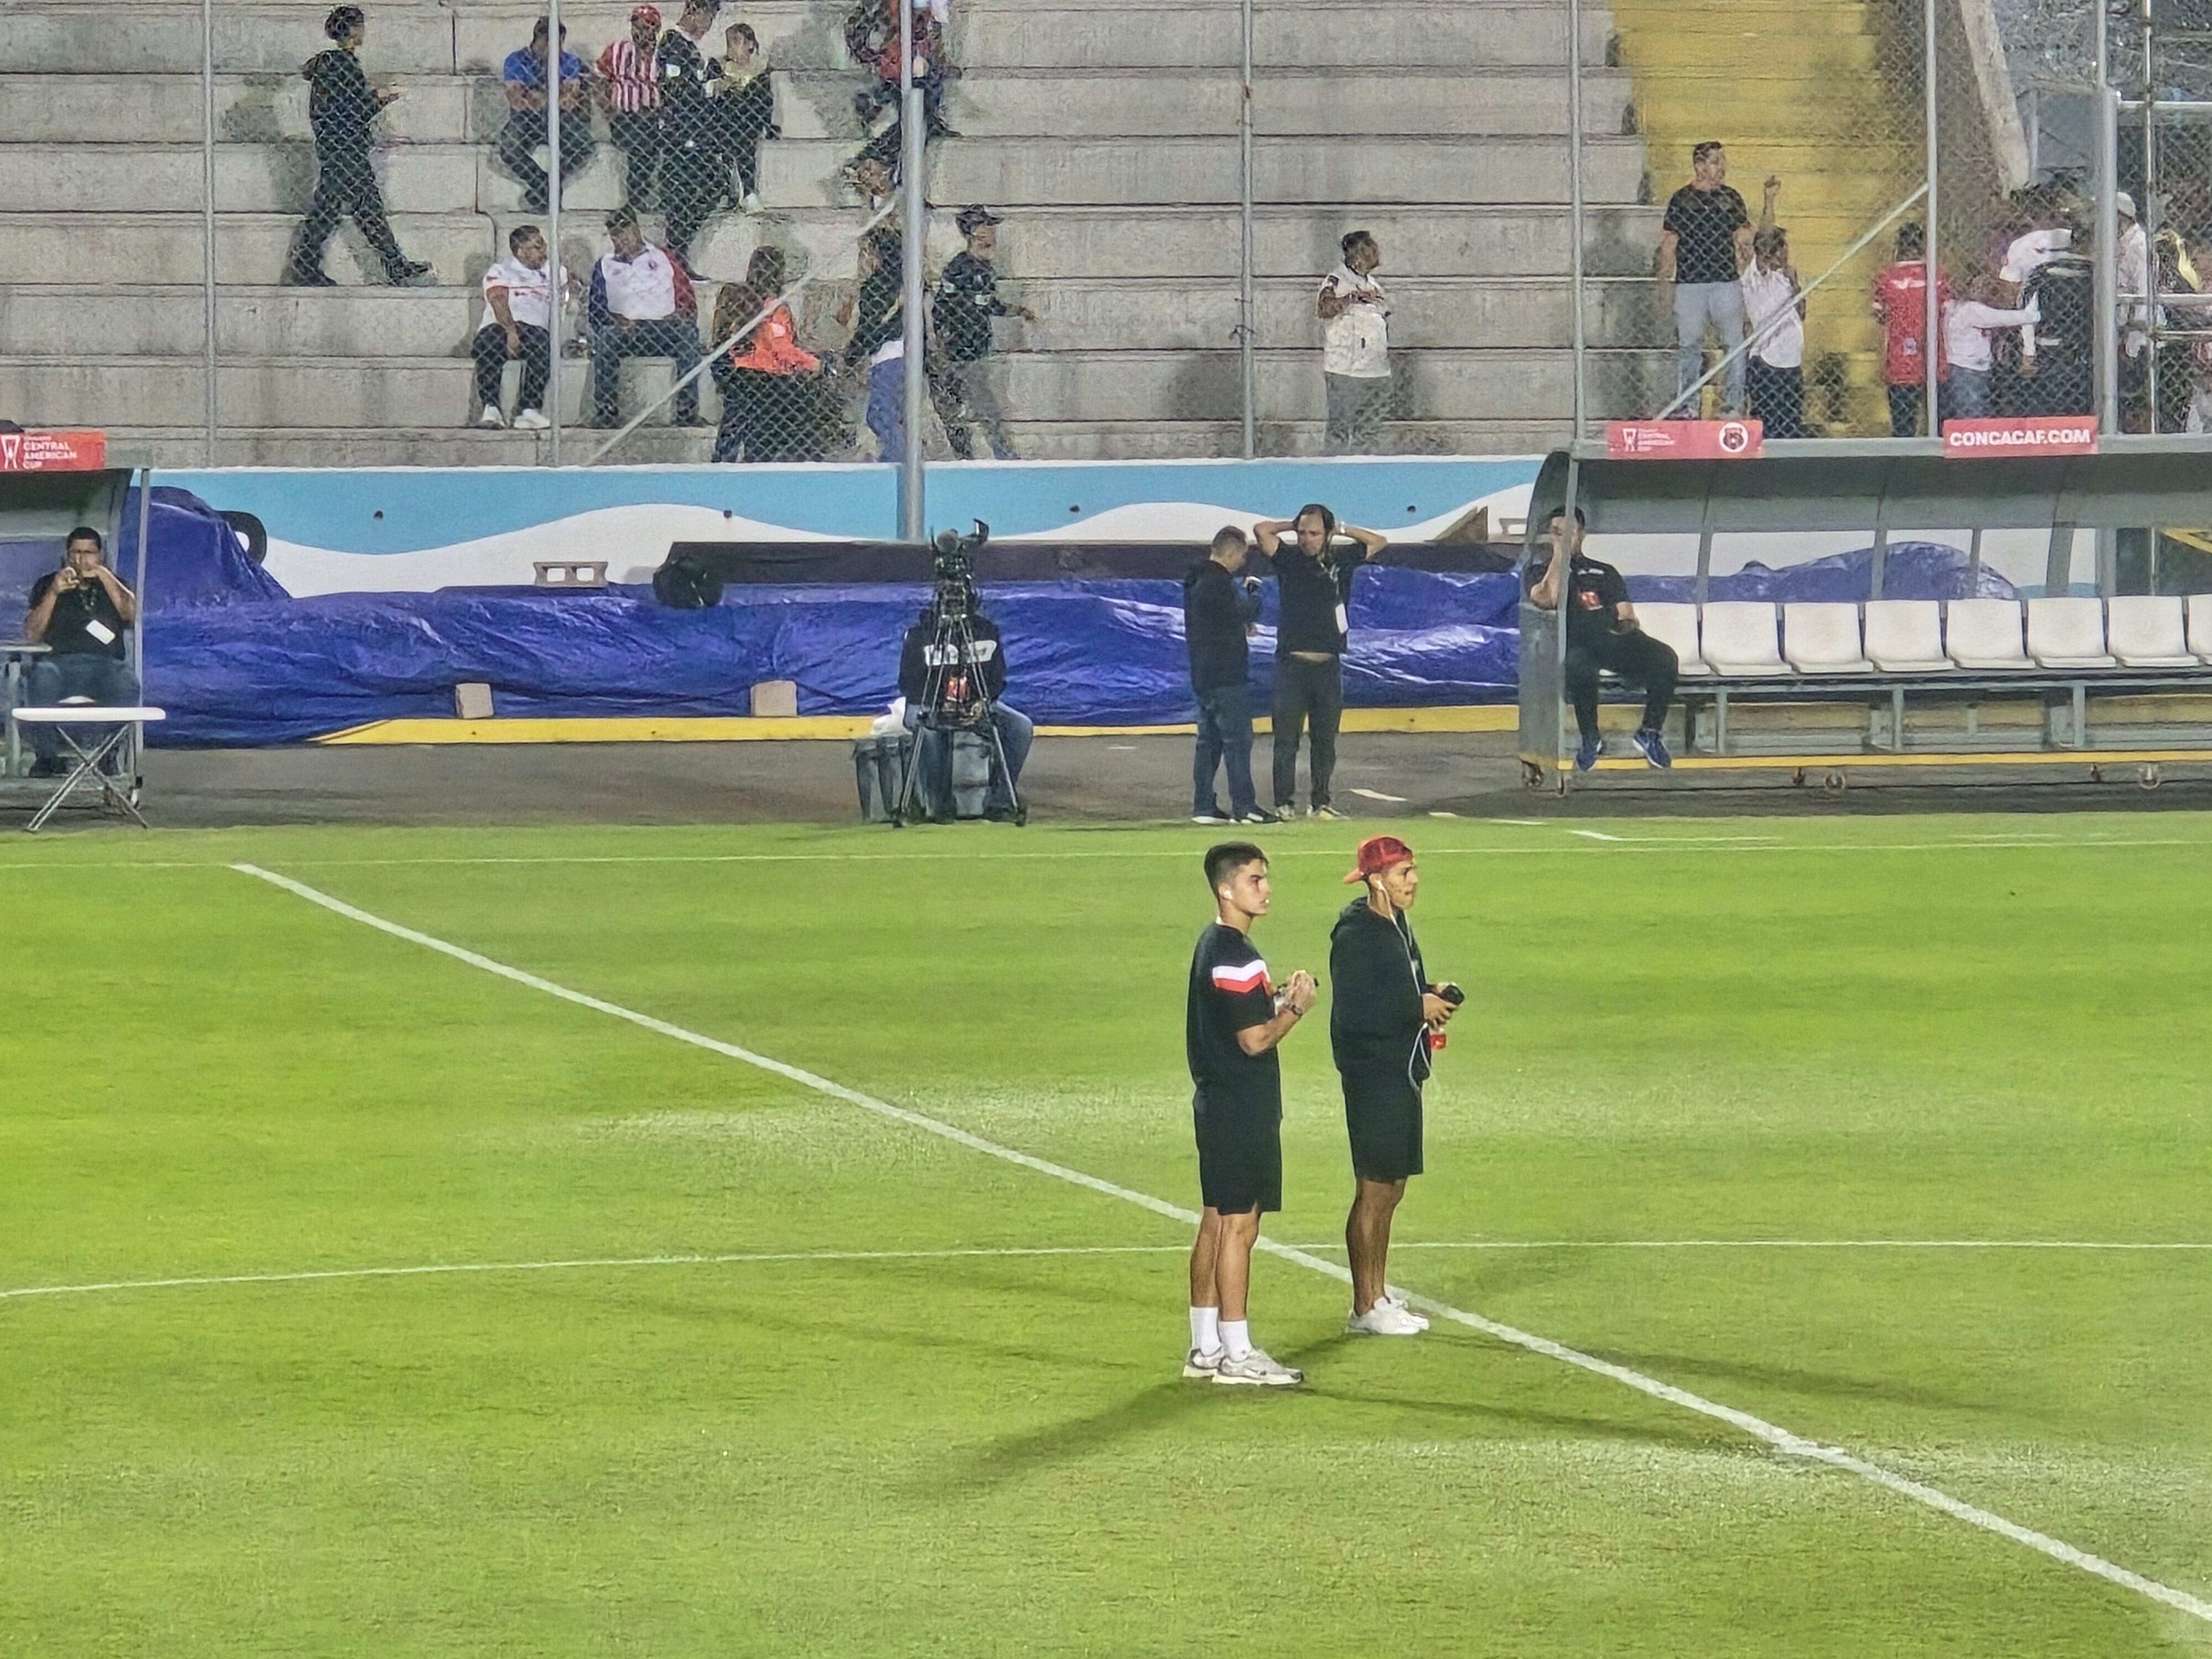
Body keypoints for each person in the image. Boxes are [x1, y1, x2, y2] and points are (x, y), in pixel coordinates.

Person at [1182, 841, 1318, 1387]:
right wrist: (1295, 1008)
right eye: (1255, 880)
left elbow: (1235, 1018)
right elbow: (1255, 1040)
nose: (1266, 889)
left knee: (1216, 1220)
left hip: (1217, 1102)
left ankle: (1205, 1347)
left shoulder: (1211, 943)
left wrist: (1274, 999)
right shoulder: (1237, 955)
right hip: (1241, 1107)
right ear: (1226, 889)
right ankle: (1237, 1355)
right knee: (1240, 1226)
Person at [1330, 835, 1456, 1337]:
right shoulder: (1357, 934)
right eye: (1404, 873)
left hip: (1401, 1070)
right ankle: (1366, 1305)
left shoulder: (1396, 924)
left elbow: (1391, 989)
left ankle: (1377, 1295)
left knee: (1392, 1188)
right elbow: (1354, 1013)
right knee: (1375, 1189)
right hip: (1374, 1076)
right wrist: (1414, 1006)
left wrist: (1428, 993)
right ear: (1377, 881)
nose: (1414, 881)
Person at [1254, 505, 1386, 821]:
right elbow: (1262, 530)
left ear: (1327, 535)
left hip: (1328, 666)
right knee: (1287, 740)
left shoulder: (1342, 559)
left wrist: (1341, 530)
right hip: (1292, 665)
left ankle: (1320, 802)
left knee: (1324, 740)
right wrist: (1291, 525)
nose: (1306, 539)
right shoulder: (1287, 558)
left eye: (1314, 533)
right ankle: (1284, 803)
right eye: (1302, 533)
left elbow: (1378, 541)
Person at [284, 6, 432, 286]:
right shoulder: (345, 65)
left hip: (336, 147)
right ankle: (392, 267)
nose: (363, 31)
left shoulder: (328, 64)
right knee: (346, 210)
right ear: (352, 30)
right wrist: (383, 98)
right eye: (360, 25)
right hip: (347, 149)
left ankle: (395, 266)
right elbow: (356, 111)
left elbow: (340, 106)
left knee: (352, 209)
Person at [1528, 506, 1676, 773]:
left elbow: (1626, 613)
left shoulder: (1604, 571)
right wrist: (1560, 558)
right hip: (1577, 644)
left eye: (1569, 532)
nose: (1563, 537)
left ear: (1582, 535)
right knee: (1578, 665)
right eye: (1557, 532)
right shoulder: (1539, 572)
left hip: (1612, 640)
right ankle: (1590, 737)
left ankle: (1649, 732)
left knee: (1665, 657)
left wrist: (1626, 628)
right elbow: (1548, 599)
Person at [895, 592, 1031, 822]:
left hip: (975, 705)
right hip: (927, 704)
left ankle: (1000, 802)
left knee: (1020, 726)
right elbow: (909, 684)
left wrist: (982, 702)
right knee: (928, 730)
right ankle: (938, 805)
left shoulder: (987, 631)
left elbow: (997, 679)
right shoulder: (920, 635)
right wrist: (939, 704)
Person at [22, 527, 140, 779]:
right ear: (67, 555)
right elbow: (32, 634)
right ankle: (47, 758)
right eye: (76, 552)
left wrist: (103, 574)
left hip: (105, 665)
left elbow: (131, 615)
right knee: (41, 679)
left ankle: (108, 754)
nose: (82, 559)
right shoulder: (48, 584)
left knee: (127, 684)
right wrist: (54, 592)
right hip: (59, 663)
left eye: (89, 553)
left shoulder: (112, 583)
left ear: (100, 555)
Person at [1657, 145, 1759, 418]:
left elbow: (1743, 235)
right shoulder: (1682, 200)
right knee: (1689, 346)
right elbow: (1670, 242)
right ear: (1700, 166)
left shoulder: (1730, 197)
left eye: (1722, 161)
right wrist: (1665, 279)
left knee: (1734, 345)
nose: (1722, 167)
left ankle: (1733, 405)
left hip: (1725, 281)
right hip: (1690, 283)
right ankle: (1689, 405)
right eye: (1715, 161)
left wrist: (1750, 242)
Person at [929, 206, 1035, 461]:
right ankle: (991, 456)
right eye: (986, 227)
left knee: (973, 407)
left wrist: (1017, 311)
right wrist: (945, 340)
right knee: (975, 407)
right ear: (974, 233)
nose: (991, 233)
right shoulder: (959, 267)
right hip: (960, 351)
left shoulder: (986, 269)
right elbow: (942, 306)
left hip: (977, 347)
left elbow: (987, 304)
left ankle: (990, 455)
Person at [1183, 526, 1272, 827]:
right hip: (1226, 674)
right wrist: (1253, 596)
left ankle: (1204, 806)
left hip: (1203, 673)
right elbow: (1240, 612)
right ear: (1233, 553)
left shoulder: (1195, 580)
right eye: (1243, 556)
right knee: (1237, 742)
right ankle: (1245, 807)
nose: (1243, 562)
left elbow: (1221, 620)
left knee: (1209, 741)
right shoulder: (1217, 583)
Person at [586, 206, 703, 428]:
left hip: (662, 328)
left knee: (688, 333)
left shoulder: (662, 257)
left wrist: (680, 314)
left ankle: (687, 411)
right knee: (607, 337)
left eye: (626, 231)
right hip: (626, 331)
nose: (622, 239)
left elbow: (686, 295)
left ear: (637, 229)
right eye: (616, 235)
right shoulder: (605, 265)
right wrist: (616, 320)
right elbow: (596, 309)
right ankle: (606, 411)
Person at [710, 246, 820, 462]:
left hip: (738, 374)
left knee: (734, 426)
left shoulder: (739, 300)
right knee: (761, 434)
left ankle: (722, 462)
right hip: (766, 377)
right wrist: (811, 363)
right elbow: (780, 346)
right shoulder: (773, 307)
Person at [471, 225, 570, 430]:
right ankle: (491, 408)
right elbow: (498, 300)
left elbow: (573, 284)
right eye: (537, 247)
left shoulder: (554, 271)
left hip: (534, 330)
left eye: (543, 246)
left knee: (543, 343)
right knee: (489, 341)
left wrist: (573, 288)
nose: (544, 252)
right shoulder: (501, 270)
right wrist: (511, 332)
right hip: (501, 326)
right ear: (521, 252)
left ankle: (529, 410)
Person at [656, 0, 728, 267]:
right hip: (680, 136)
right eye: (708, 17)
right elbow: (675, 89)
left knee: (713, 184)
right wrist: (709, 88)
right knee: (682, 195)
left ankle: (680, 250)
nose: (709, 26)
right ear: (694, 10)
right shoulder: (673, 43)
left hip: (697, 135)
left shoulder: (690, 47)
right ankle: (676, 256)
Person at [499, 17, 596, 215]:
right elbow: (518, 102)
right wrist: (555, 95)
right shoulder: (516, 60)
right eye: (553, 43)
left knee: (584, 145)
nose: (558, 49)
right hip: (526, 120)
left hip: (560, 118)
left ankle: (547, 188)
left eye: (560, 43)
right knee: (509, 148)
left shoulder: (569, 61)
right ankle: (545, 185)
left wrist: (534, 95)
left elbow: (569, 101)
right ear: (540, 39)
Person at [1872, 223, 1949, 436]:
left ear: (1899, 245)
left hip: (1900, 361)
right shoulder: (1939, 276)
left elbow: (1879, 314)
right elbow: (1948, 311)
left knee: (1903, 426)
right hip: (1934, 358)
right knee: (1939, 424)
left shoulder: (1886, 278)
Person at [1318, 230, 1391, 453]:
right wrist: (1350, 299)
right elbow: (1324, 309)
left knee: (1370, 429)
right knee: (1340, 425)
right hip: (1345, 367)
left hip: (1375, 368)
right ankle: (1334, 463)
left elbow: (1386, 312)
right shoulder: (1336, 281)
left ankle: (1365, 462)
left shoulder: (1374, 285)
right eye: (1367, 253)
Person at [2019, 221, 2095, 417]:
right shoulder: (2096, 272)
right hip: (2086, 347)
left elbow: (2028, 311)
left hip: (2049, 344)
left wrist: (2029, 351)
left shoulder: (2041, 272)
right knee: (2084, 407)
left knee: (2049, 407)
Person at [842, 228, 906, 459]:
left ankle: (897, 458)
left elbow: (869, 328)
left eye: (867, 252)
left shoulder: (877, 285)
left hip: (888, 356)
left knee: (882, 414)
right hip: (901, 354)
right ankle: (896, 455)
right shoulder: (900, 280)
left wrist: (850, 356)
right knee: (879, 414)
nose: (864, 259)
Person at [1739, 223, 1806, 437]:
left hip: (1791, 358)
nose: (1786, 257)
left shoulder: (1786, 277)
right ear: (1771, 253)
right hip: (1767, 358)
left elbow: (1802, 313)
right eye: (1782, 251)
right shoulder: (1754, 277)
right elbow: (1759, 265)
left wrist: (1795, 284)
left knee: (1791, 420)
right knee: (1767, 420)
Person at [1941, 274, 2038, 422]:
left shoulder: (1953, 306)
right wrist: (2033, 315)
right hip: (1968, 369)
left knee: (1974, 409)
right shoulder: (1970, 309)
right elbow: (2002, 318)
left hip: (1967, 367)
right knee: (1972, 414)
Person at [596, 6, 665, 211]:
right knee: (641, 141)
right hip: (624, 118)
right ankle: (637, 198)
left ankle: (645, 196)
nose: (638, 32)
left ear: (655, 29)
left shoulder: (664, 55)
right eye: (636, 26)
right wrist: (608, 107)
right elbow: (598, 81)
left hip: (655, 118)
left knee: (650, 137)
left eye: (645, 27)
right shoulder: (618, 51)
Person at [710, 23, 776, 215]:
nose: (731, 47)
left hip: (748, 123)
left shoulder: (760, 72)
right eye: (729, 42)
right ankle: (729, 190)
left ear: (750, 45)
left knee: (746, 146)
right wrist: (721, 85)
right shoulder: (719, 67)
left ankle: (747, 191)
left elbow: (765, 101)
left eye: (736, 41)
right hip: (723, 122)